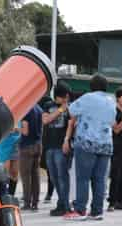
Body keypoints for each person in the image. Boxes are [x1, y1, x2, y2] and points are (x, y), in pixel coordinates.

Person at [64, 74, 116, 221]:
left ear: (91, 86)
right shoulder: (110, 101)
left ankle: (80, 210)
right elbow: (112, 120)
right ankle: (97, 211)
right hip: (106, 144)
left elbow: (71, 111)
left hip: (87, 142)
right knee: (100, 179)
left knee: (83, 178)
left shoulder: (88, 97)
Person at [42, 82, 73, 217]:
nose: (67, 99)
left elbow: (72, 125)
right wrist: (61, 109)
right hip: (49, 146)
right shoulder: (48, 105)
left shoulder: (71, 109)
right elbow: (46, 120)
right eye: (66, 96)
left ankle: (64, 205)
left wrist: (67, 141)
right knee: (53, 177)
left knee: (62, 176)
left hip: (62, 147)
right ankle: (62, 203)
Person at [19, 104, 43, 211]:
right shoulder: (39, 109)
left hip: (26, 146)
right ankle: (35, 203)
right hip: (38, 144)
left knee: (26, 176)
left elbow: (25, 131)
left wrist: (16, 129)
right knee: (35, 175)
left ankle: (27, 202)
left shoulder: (25, 109)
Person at [0, 124, 21, 196]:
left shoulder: (20, 115)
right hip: (5, 145)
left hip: (16, 145)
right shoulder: (4, 114)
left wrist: (17, 130)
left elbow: (23, 130)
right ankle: (1, 196)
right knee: (4, 173)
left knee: (14, 173)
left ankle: (11, 196)